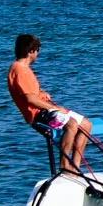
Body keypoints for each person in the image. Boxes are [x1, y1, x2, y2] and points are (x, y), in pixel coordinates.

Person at [7, 33, 91, 175]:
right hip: (37, 113)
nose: (37, 54)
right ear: (31, 51)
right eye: (37, 50)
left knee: (86, 124)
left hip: (43, 107)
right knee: (71, 125)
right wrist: (54, 107)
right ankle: (65, 167)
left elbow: (29, 92)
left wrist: (41, 93)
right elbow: (30, 99)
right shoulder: (20, 70)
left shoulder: (22, 68)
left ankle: (75, 167)